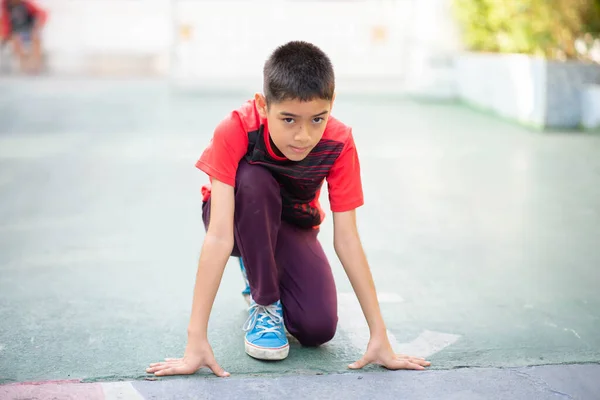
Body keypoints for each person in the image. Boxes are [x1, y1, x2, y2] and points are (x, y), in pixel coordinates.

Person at [146, 41, 431, 377]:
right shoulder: (236, 128)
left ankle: (260, 264)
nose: (303, 135)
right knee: (254, 178)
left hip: (292, 224)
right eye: (289, 119)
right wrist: (196, 341)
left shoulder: (339, 142)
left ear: (331, 106)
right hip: (237, 218)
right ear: (263, 105)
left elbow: (347, 239)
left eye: (316, 119)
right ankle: (263, 299)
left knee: (317, 329)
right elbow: (220, 236)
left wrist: (379, 335)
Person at [0, 0, 47, 73]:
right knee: (15, 39)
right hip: (15, 33)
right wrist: (5, 36)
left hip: (29, 31)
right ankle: (24, 65)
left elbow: (42, 14)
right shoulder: (5, 6)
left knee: (36, 38)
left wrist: (37, 25)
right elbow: (4, 22)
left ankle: (36, 64)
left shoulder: (26, 4)